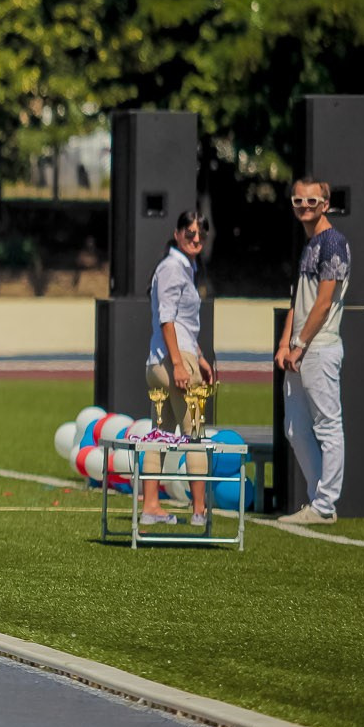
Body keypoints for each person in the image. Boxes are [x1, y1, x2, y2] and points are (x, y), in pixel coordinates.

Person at [277, 177, 350, 526]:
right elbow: (297, 302)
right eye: (298, 201)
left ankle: (324, 504)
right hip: (299, 350)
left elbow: (323, 303)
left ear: (325, 203)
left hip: (319, 348)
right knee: (295, 428)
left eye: (311, 201)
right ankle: (318, 499)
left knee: (327, 426)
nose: (304, 207)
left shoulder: (333, 242)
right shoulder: (309, 244)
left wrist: (301, 344)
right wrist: (284, 344)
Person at [143, 212, 214, 527]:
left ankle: (151, 506)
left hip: (164, 360)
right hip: (172, 361)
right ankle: (200, 510)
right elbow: (167, 319)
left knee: (159, 434)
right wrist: (179, 364)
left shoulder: (183, 267)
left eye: (201, 234)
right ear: (177, 233)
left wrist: (198, 356)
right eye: (190, 233)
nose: (196, 239)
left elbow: (182, 324)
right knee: (194, 434)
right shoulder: (173, 268)